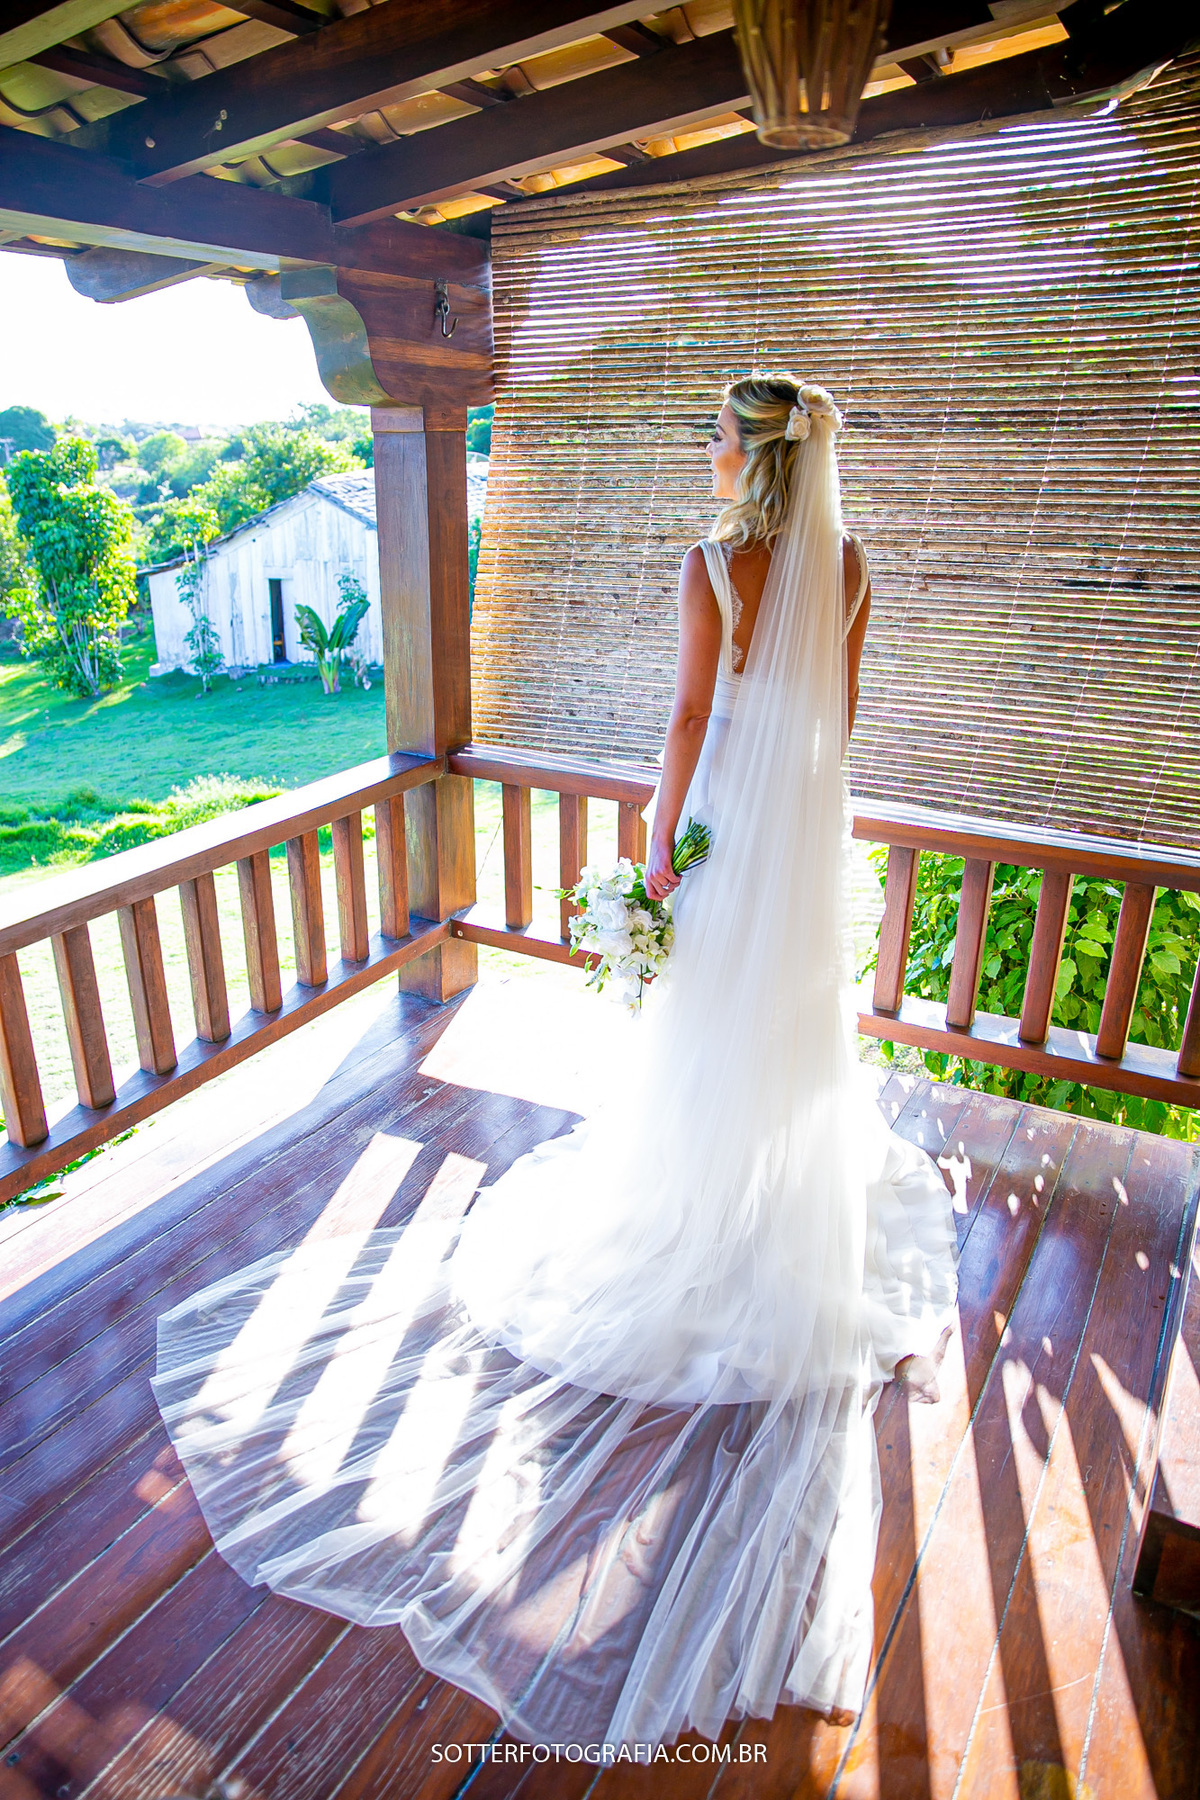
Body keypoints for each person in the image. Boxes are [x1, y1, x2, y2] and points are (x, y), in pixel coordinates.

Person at [153, 373, 959, 1752]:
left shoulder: (714, 566)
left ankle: (696, 1211)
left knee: (703, 1031)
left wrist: (661, 849)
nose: (703, 454)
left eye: (715, 435)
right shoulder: (856, 566)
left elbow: (692, 721)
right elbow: (840, 723)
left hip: (722, 831)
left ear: (752, 456)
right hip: (804, 846)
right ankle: (770, 1208)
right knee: (777, 1031)